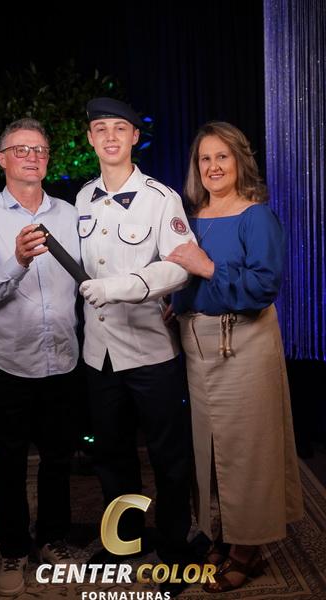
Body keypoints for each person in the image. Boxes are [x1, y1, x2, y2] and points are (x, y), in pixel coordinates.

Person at [164, 121, 304, 593]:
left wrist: (206, 267)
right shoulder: (192, 217)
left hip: (244, 343)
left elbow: (263, 287)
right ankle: (223, 533)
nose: (213, 167)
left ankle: (249, 547)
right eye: (205, 158)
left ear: (240, 161)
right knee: (211, 448)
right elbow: (188, 278)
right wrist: (178, 299)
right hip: (198, 345)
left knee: (248, 449)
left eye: (222, 156)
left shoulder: (256, 216)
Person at [77, 97, 201, 575]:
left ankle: (174, 546)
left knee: (169, 456)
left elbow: (180, 267)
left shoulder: (160, 197)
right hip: (99, 354)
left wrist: (120, 288)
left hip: (150, 351)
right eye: (100, 128)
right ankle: (124, 543)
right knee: (111, 456)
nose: (110, 136)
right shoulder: (82, 198)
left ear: (134, 137)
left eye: (119, 128)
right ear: (90, 139)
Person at [0, 118, 80, 596]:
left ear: (48, 158)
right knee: (9, 464)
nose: (32, 157)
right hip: (7, 361)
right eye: (21, 149)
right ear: (1, 159)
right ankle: (12, 548)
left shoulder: (70, 214)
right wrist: (16, 260)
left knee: (58, 459)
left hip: (64, 359)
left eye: (39, 149)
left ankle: (52, 539)